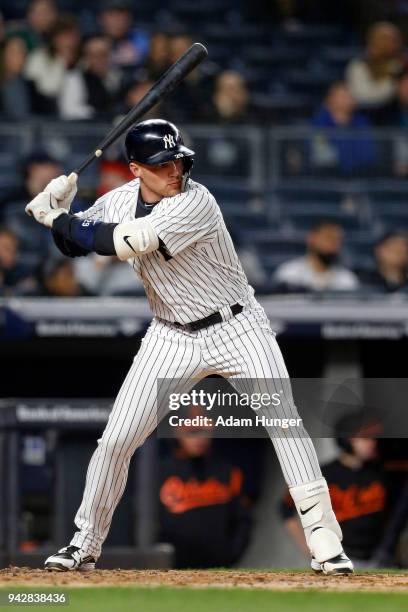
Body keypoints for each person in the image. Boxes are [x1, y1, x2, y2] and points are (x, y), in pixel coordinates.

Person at [25, 118, 354, 575]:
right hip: (170, 334)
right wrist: (58, 215)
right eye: (163, 163)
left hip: (237, 326)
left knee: (284, 423)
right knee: (117, 439)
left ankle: (326, 545)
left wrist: (59, 218)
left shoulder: (197, 201)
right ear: (136, 169)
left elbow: (127, 242)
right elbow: (77, 247)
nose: (176, 169)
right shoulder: (118, 199)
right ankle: (84, 544)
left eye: (179, 160)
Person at [280, 413, 387, 565]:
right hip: (340, 557)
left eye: (373, 437)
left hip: (379, 558)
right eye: (365, 438)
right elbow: (286, 510)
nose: (372, 443)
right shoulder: (322, 475)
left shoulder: (380, 473)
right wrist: (312, 550)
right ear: (347, 440)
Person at [158, 404, 252, 568]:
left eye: (203, 431)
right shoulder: (157, 473)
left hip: (218, 568)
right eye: (192, 432)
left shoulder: (228, 472)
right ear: (177, 431)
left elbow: (243, 520)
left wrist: (231, 555)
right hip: (171, 567)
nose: (199, 438)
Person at [273, 220, 359, 293]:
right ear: (312, 238)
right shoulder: (290, 274)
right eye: (328, 238)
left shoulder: (347, 280)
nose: (334, 244)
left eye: (338, 239)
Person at [311, 81, 377, 176]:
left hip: (359, 178)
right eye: (341, 95)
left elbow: (368, 155)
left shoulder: (362, 124)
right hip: (325, 180)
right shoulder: (317, 125)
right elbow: (317, 159)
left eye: (349, 95)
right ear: (329, 99)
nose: (346, 99)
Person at [345, 22, 407, 121]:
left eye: (393, 39)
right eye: (384, 38)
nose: (389, 44)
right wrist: (393, 84)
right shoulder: (359, 65)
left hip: (397, 116)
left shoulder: (400, 64)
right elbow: (361, 95)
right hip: (366, 116)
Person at [24, 15, 81, 115]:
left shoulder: (82, 60)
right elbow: (48, 91)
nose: (70, 41)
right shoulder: (39, 57)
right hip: (45, 114)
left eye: (73, 36)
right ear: (55, 38)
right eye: (65, 36)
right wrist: (63, 63)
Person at [59, 34, 121, 120]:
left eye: (103, 54)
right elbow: (69, 110)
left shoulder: (118, 78)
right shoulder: (75, 78)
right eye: (94, 55)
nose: (99, 60)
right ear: (86, 57)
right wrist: (96, 113)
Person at [98, 0, 149, 69]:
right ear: (101, 18)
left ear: (130, 18)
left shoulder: (141, 39)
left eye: (122, 15)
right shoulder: (91, 43)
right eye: (112, 15)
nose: (117, 20)